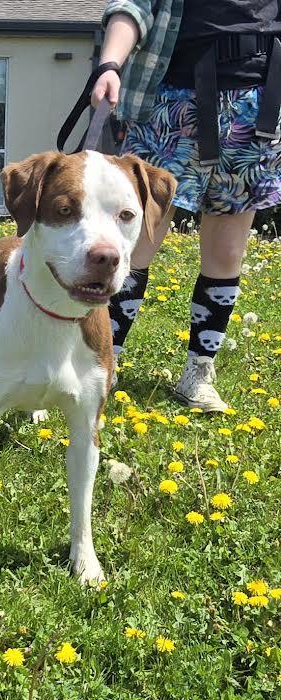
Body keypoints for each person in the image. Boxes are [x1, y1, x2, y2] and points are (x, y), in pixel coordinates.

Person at [93, 1, 281, 411]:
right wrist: (109, 64)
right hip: (170, 105)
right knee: (135, 241)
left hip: (255, 107)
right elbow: (133, 8)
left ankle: (199, 370)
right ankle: (102, 359)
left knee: (228, 252)